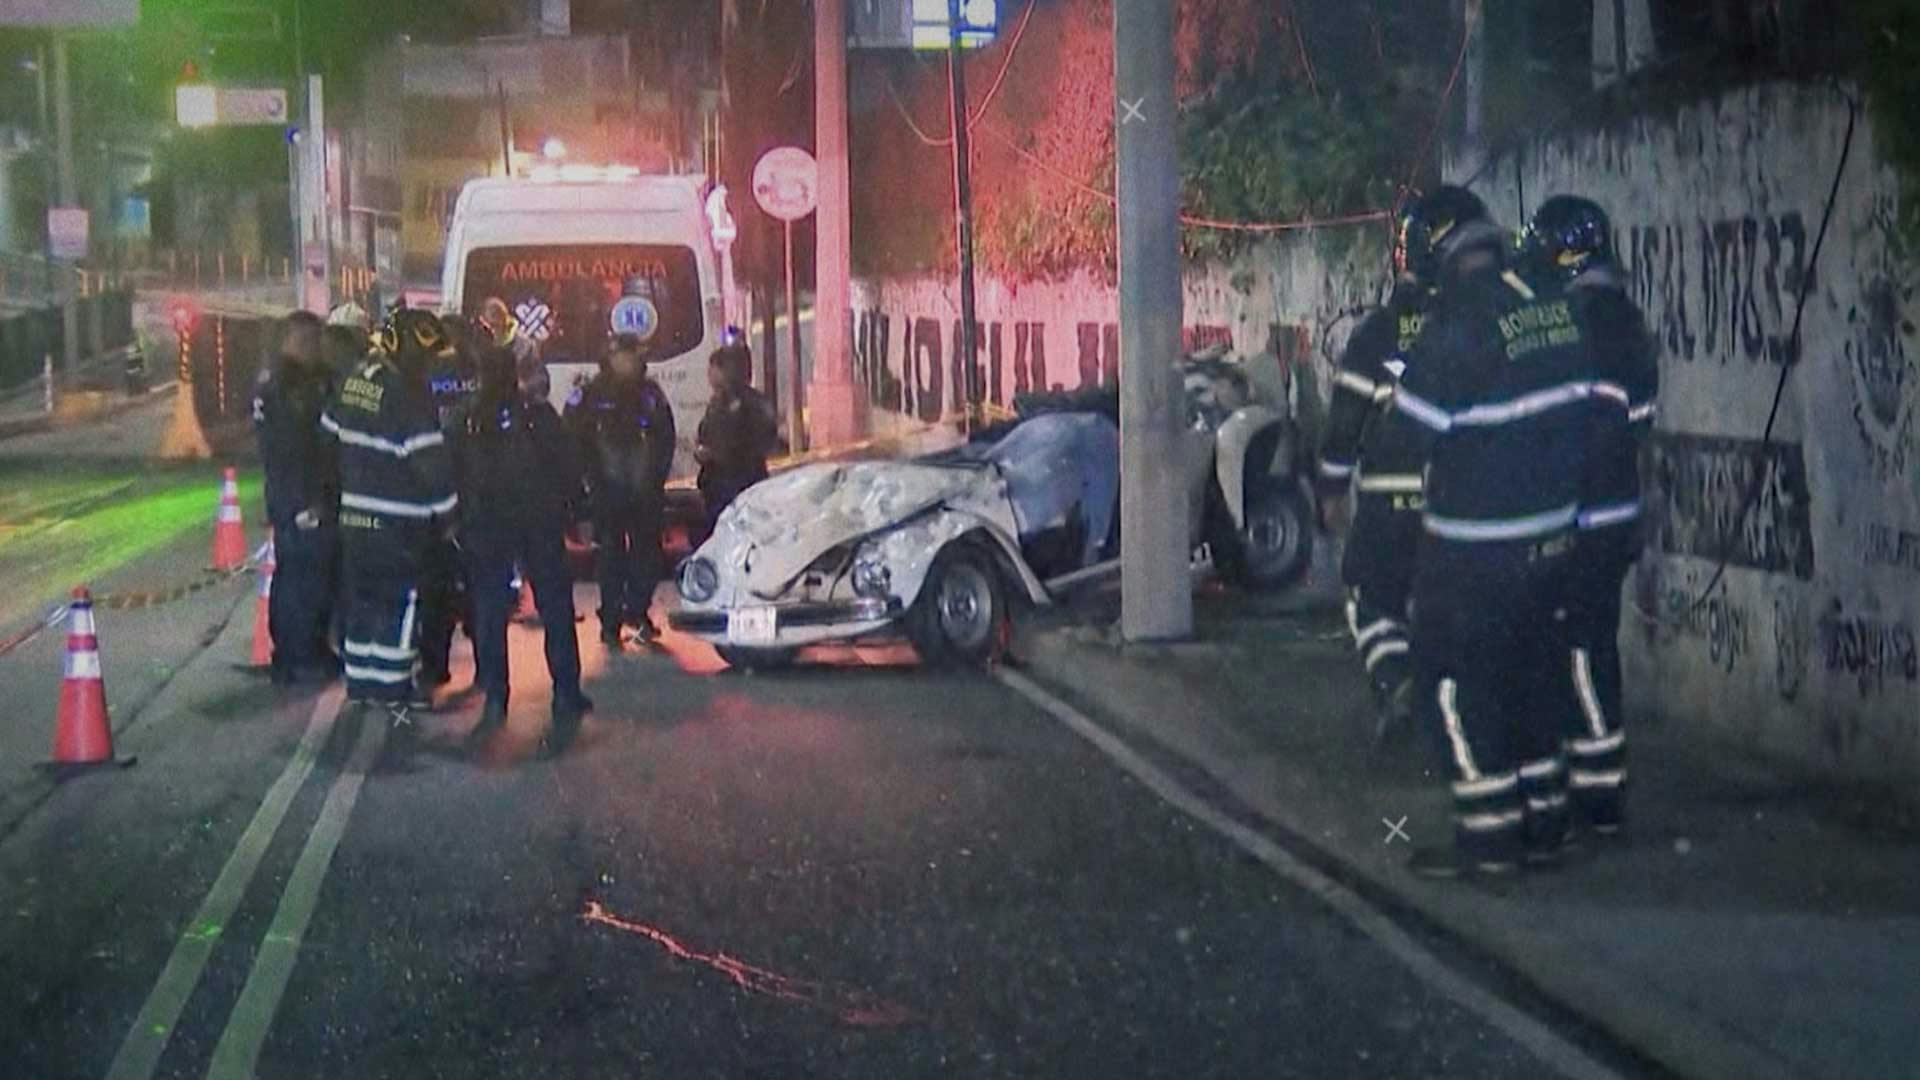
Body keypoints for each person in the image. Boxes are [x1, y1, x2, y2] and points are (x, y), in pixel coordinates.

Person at [1390, 188, 1629, 878]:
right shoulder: (1552, 305)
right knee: (1531, 677)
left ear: (1433, 253)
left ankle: (1490, 836)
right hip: (1553, 540)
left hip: (1475, 550)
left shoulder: (1458, 322)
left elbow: (1410, 433)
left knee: (1453, 684)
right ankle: (1545, 824)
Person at [1518, 195, 1659, 839]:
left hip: (1582, 514)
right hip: (1615, 508)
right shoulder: (1623, 317)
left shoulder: (1579, 322)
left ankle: (1594, 792)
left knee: (1575, 644)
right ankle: (1595, 781)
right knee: (1589, 640)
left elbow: (1567, 425)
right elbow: (1638, 420)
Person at [1316, 194, 1450, 742]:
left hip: (1389, 498)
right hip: (1462, 499)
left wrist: (1329, 486)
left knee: (1371, 597)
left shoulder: (1378, 333)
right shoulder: (1477, 326)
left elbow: (1346, 418)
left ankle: (1396, 681)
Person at [321, 309, 460, 753]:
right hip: (398, 523)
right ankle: (394, 691)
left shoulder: (358, 378)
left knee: (361, 602)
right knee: (400, 606)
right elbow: (429, 463)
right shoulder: (407, 396)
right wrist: (450, 513)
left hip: (355, 519)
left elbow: (328, 435)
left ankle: (361, 685)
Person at [450, 345, 594, 757]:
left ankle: (496, 695)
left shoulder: (467, 419)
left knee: (491, 611)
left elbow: (451, 469)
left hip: (488, 525)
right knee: (554, 607)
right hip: (537, 523)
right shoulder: (537, 415)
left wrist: (458, 518)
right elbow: (568, 466)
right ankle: (566, 691)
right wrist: (575, 513)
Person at [567, 333, 676, 648]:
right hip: (606, 492)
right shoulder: (589, 394)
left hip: (644, 493)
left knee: (648, 556)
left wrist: (656, 478)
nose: (632, 362)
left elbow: (665, 437)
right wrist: (582, 490)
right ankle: (611, 621)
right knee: (610, 558)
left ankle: (638, 610)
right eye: (626, 356)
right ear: (612, 357)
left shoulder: (650, 393)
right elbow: (573, 440)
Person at [253, 311, 340, 686]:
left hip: (290, 493)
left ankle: (303, 651)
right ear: (298, 340)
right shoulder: (288, 386)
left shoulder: (277, 379)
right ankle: (298, 656)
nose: (319, 351)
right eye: (313, 342)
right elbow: (298, 448)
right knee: (304, 578)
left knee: (300, 575)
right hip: (300, 496)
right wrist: (312, 499)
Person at [416, 314, 483, 690]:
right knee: (474, 586)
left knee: (436, 588)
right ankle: (485, 668)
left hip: (439, 492)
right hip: (468, 491)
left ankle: (434, 665)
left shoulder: (426, 373)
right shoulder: (477, 370)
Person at [695, 343, 777, 538]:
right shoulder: (717, 402)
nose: (709, 375)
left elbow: (759, 441)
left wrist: (716, 455)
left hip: (739, 484)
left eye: (714, 369)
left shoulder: (750, 403)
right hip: (717, 485)